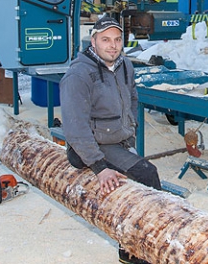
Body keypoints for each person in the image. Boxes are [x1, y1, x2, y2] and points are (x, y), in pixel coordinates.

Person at [60, 15, 161, 264]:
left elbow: (133, 97)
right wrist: (99, 167)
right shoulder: (79, 75)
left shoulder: (124, 64)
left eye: (117, 39)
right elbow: (75, 127)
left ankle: (132, 247)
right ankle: (136, 253)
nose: (113, 45)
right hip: (90, 146)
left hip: (117, 140)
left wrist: (131, 129)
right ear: (93, 41)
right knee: (147, 174)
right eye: (105, 40)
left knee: (135, 182)